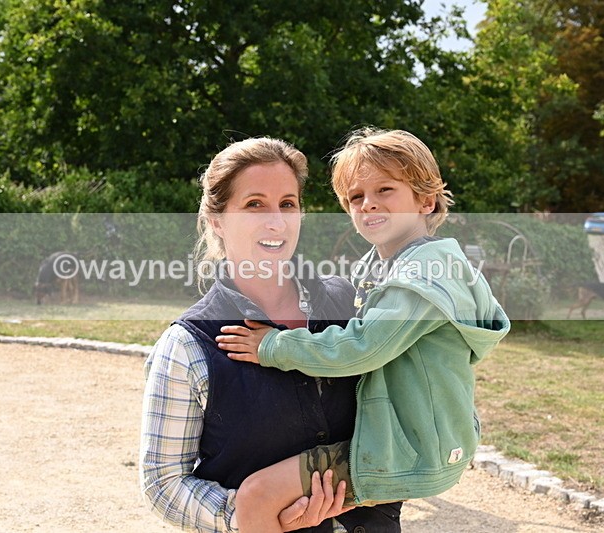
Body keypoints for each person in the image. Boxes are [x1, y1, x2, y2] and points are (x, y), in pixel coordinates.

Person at [215, 128, 511, 533]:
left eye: (385, 189)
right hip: (416, 438)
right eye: (356, 197)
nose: (368, 203)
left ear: (426, 200)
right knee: (288, 512)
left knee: (258, 496)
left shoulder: (422, 277)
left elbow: (362, 347)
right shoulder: (387, 265)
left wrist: (274, 346)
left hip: (408, 451)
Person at [139, 136, 403, 532]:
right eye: (254, 204)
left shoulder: (350, 302)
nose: (276, 221)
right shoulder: (187, 346)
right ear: (217, 220)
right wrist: (260, 514)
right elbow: (163, 484)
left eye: (288, 204)